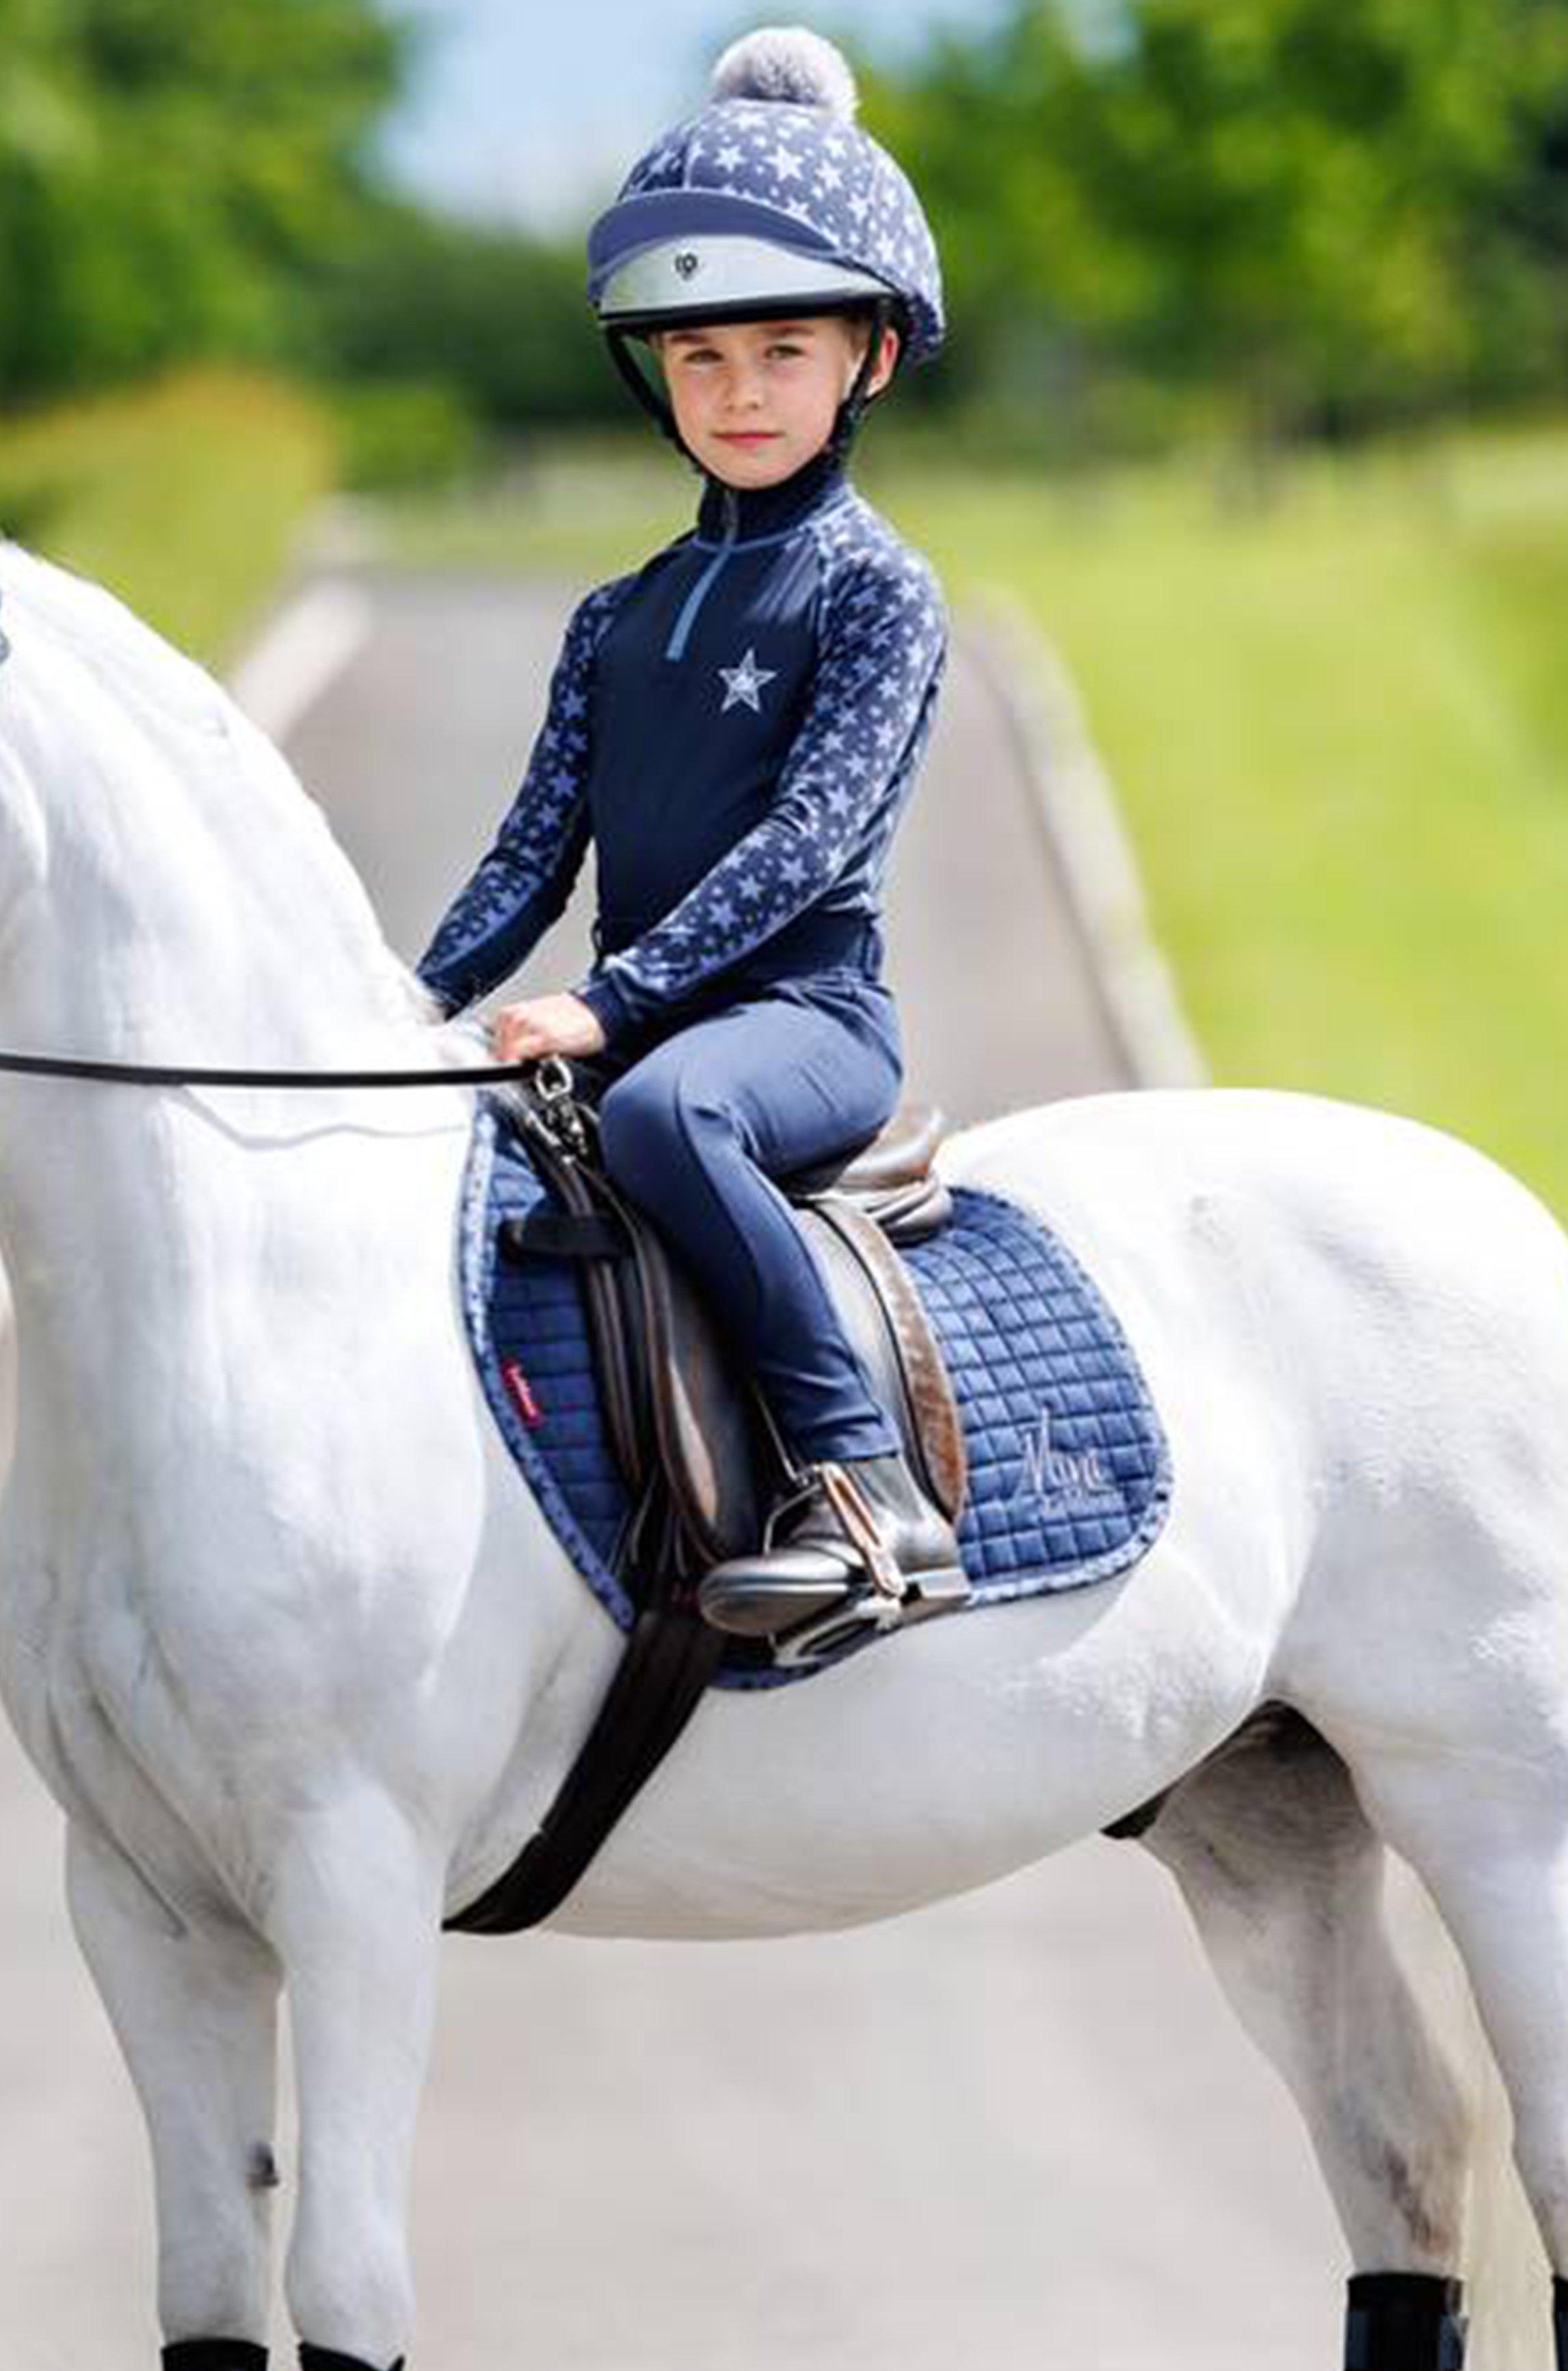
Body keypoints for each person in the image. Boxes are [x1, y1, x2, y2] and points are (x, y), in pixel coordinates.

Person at [416, 25, 969, 1647]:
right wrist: (402, 1003)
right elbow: (531, 853)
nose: (737, 392)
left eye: (781, 350)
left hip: (795, 1024)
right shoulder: (615, 615)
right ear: (656, 372)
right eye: (702, 357)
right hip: (639, 1008)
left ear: (865, 360)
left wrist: (610, 1002)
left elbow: (806, 840)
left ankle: (869, 1497)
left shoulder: (879, 591)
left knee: (661, 1115)